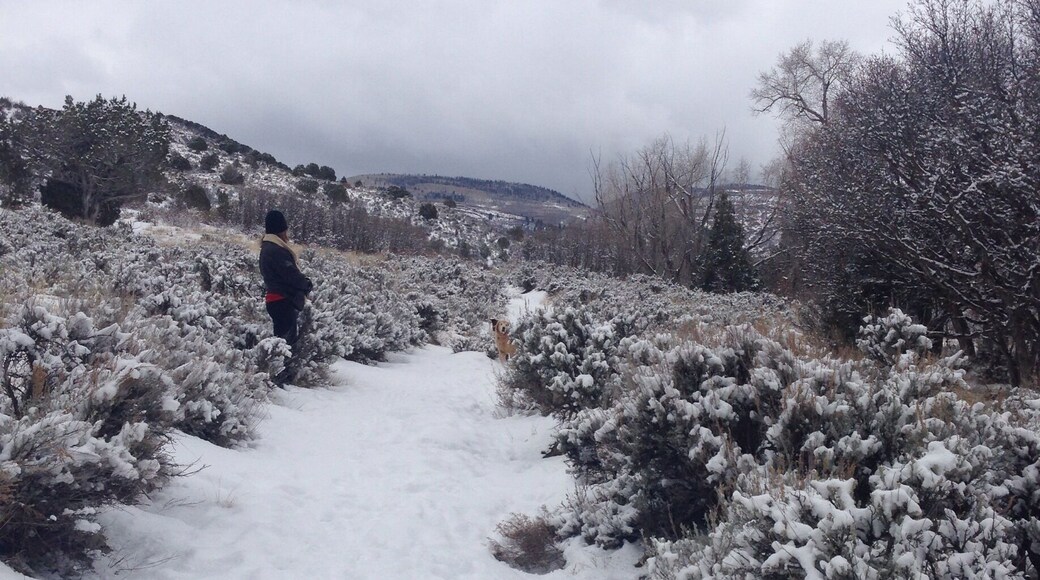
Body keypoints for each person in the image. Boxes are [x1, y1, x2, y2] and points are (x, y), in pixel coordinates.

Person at [259, 210, 313, 355]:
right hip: (282, 301)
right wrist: (306, 284)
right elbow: (290, 275)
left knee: (283, 343)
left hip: (276, 301)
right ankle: (284, 376)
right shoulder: (275, 250)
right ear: (281, 229)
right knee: (287, 347)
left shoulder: (268, 247)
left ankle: (281, 374)